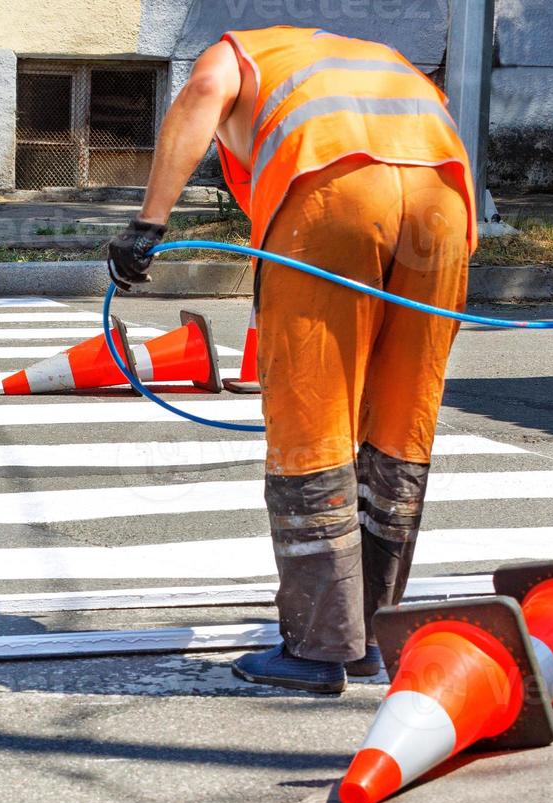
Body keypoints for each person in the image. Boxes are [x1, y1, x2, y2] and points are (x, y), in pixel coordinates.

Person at [108, 26, 477, 694]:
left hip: (333, 193)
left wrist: (148, 224)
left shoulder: (233, 52)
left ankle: (317, 647)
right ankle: (368, 635)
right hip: (442, 207)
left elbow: (201, 92)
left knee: (313, 411)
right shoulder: (375, 56)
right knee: (400, 418)